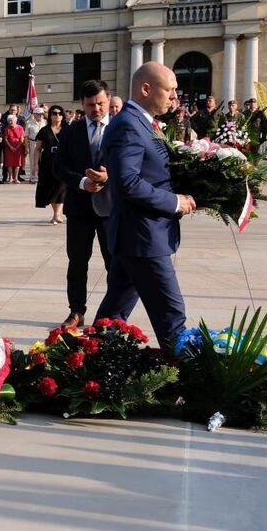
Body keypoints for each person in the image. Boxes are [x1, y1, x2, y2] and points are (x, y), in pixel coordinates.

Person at [93, 63, 197, 346]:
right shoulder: (129, 124)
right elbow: (127, 183)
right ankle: (183, 383)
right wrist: (175, 201)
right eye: (170, 89)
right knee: (172, 319)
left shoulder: (142, 122)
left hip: (136, 237)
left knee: (111, 319)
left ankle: (88, 372)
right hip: (142, 239)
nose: (174, 96)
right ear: (146, 89)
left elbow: (151, 172)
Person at [53, 80, 130, 329]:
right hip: (79, 208)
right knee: (77, 262)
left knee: (114, 263)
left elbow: (133, 163)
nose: (96, 109)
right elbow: (58, 166)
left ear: (109, 99)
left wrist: (111, 176)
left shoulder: (122, 128)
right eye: (90, 105)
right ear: (82, 105)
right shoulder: (71, 131)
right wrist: (82, 181)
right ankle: (76, 311)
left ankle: (112, 314)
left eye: (100, 103)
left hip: (111, 209)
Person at [33, 106, 66, 224]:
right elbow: (37, 149)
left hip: (64, 163)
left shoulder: (68, 129)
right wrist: (35, 164)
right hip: (47, 163)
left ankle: (58, 214)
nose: (57, 116)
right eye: (54, 113)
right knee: (50, 188)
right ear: (50, 115)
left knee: (61, 188)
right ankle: (57, 214)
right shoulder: (44, 131)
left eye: (59, 113)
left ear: (63, 116)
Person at [1, 114, 26, 184]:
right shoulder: (7, 128)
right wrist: (11, 147)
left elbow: (22, 139)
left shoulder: (20, 128)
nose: (10, 122)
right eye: (9, 120)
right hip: (9, 148)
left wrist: (17, 147)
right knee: (9, 163)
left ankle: (16, 178)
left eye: (11, 120)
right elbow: (5, 139)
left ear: (15, 120)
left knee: (17, 163)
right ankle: (10, 178)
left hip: (18, 147)